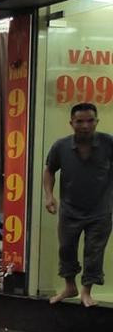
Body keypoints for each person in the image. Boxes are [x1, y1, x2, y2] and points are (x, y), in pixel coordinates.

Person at [45, 102, 113, 307]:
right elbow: (49, 170)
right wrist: (49, 196)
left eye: (90, 120)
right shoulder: (61, 146)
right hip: (70, 209)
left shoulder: (109, 143)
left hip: (100, 210)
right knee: (66, 248)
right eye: (80, 121)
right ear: (71, 123)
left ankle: (86, 292)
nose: (85, 125)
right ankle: (69, 286)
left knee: (94, 251)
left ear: (97, 121)